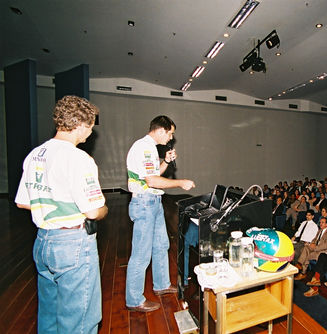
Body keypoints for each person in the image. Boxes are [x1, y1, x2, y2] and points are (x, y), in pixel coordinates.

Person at [15, 96, 109, 333]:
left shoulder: (36, 154)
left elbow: (23, 203)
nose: (90, 132)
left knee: (50, 315)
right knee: (80, 319)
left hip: (43, 242)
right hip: (72, 245)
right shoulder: (79, 159)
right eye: (89, 126)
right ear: (79, 124)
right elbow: (92, 211)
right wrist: (104, 209)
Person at [126, 115, 195, 312]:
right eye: (170, 133)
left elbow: (155, 174)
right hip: (145, 203)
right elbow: (152, 182)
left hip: (153, 202)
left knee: (162, 245)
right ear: (161, 130)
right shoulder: (144, 147)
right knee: (141, 253)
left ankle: (162, 284)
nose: (171, 138)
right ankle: (134, 299)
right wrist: (181, 182)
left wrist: (165, 161)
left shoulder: (150, 149)